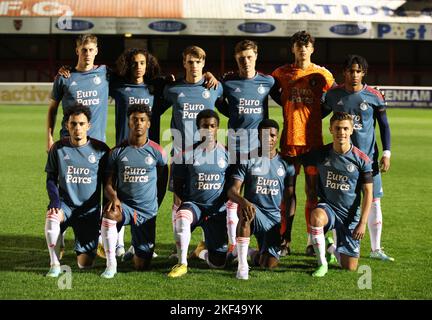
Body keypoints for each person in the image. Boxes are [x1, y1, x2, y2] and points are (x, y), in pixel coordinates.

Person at [270, 30, 335, 256]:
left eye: (306, 45)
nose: (302, 49)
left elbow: (334, 99)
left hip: (313, 143)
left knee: (312, 192)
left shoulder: (323, 74)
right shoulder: (281, 73)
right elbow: (273, 93)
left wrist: (317, 115)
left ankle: (311, 240)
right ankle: (284, 240)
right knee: (287, 193)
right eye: (298, 45)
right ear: (293, 49)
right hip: (289, 142)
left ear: (312, 49)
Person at [322, 54, 394, 261]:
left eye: (358, 71)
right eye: (350, 71)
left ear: (363, 73)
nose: (354, 75)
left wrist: (387, 153)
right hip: (342, 161)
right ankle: (336, 247)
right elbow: (319, 114)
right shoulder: (333, 95)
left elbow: (385, 126)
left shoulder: (374, 96)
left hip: (369, 160)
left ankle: (376, 249)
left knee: (375, 202)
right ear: (344, 72)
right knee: (341, 204)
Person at [47, 34, 109, 258]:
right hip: (68, 145)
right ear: (77, 51)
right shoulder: (64, 77)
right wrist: (49, 136)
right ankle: (60, 232)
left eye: (91, 49)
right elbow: (53, 109)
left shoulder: (105, 73)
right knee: (64, 186)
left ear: (97, 51)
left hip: (96, 148)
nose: (87, 53)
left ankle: (98, 238)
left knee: (96, 190)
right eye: (84, 49)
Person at [163, 46, 225, 258]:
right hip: (181, 156)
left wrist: (212, 76)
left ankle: (210, 242)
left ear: (204, 64)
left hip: (207, 156)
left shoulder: (214, 87)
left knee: (210, 198)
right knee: (179, 201)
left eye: (198, 62)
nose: (194, 66)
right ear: (184, 63)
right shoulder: (173, 89)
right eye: (190, 62)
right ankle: (180, 248)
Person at [220, 40, 275, 256]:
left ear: (256, 57)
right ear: (236, 59)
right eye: (241, 58)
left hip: (259, 152)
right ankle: (233, 244)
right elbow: (219, 103)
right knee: (233, 197)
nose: (246, 61)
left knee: (258, 196)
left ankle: (260, 240)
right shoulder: (228, 83)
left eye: (249, 57)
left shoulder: (268, 81)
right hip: (235, 148)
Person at [100, 104, 168, 278]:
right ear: (129, 123)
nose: (138, 123)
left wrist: (154, 205)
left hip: (147, 212)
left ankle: (135, 248)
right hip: (125, 208)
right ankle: (111, 264)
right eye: (134, 120)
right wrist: (114, 198)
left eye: (142, 120)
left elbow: (162, 183)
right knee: (110, 213)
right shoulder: (117, 152)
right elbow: (107, 184)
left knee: (141, 266)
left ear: (149, 124)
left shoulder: (157, 152)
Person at [44, 104, 109, 277]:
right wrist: (54, 201)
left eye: (81, 124)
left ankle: (77, 241)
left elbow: (108, 183)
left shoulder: (101, 150)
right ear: (67, 126)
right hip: (65, 206)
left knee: (84, 264)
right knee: (52, 215)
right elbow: (51, 177)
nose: (77, 128)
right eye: (73, 124)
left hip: (88, 212)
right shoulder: (57, 148)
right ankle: (54, 264)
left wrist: (105, 210)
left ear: (89, 126)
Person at [305, 112, 373, 277]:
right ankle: (322, 265)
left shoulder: (362, 160)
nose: (341, 132)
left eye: (345, 128)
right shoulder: (320, 154)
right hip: (328, 208)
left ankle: (330, 248)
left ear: (351, 131)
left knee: (349, 267)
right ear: (330, 129)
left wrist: (363, 223)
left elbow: (368, 192)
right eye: (337, 128)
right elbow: (302, 163)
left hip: (350, 215)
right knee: (316, 216)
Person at [227, 119, 295, 280]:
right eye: (265, 135)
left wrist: (288, 230)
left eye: (272, 135)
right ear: (258, 136)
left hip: (274, 219)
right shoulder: (247, 159)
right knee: (246, 212)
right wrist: (244, 201)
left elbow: (290, 198)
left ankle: (247, 252)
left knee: (268, 263)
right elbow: (232, 191)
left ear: (277, 137)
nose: (269, 139)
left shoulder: (286, 164)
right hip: (253, 212)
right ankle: (242, 267)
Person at [168, 109, 229, 278]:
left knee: (219, 263)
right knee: (182, 217)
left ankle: (201, 252)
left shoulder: (228, 153)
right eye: (204, 126)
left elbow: (232, 186)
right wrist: (187, 203)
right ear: (198, 128)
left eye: (212, 126)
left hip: (216, 210)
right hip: (194, 206)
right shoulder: (186, 154)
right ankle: (182, 263)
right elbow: (178, 186)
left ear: (217, 128)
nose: (208, 130)